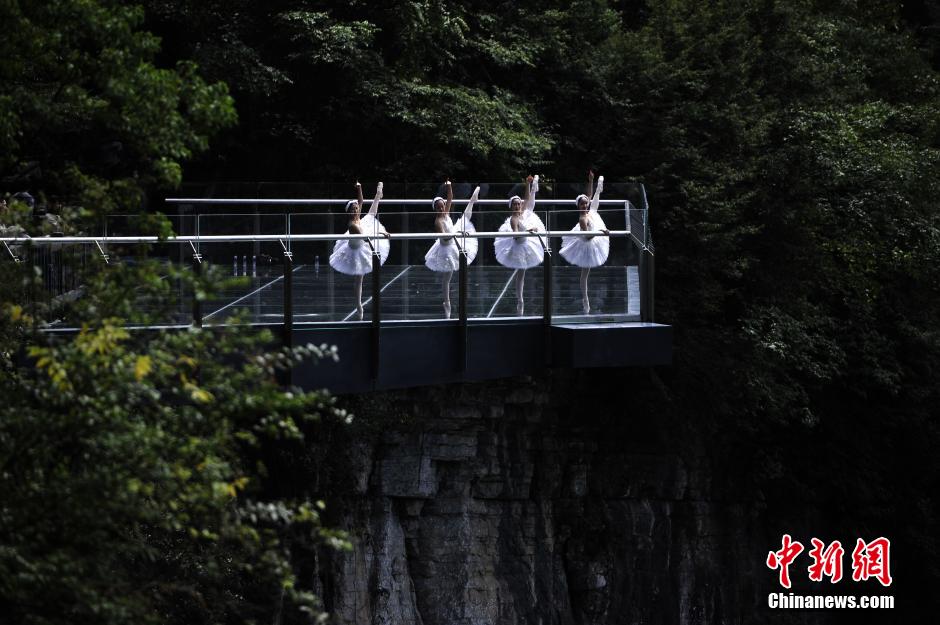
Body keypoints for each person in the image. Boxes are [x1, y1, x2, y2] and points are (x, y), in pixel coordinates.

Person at [329, 182, 390, 320]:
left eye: (356, 208)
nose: (356, 210)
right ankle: (358, 305)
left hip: (362, 241)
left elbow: (361, 201)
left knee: (370, 216)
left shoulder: (357, 216)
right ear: (348, 212)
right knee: (359, 280)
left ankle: (378, 194)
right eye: (353, 209)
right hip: (356, 248)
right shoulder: (352, 225)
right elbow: (367, 238)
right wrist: (382, 234)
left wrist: (359, 188)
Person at [424, 181, 480, 318]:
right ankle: (447, 302)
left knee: (465, 218)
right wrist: (458, 234)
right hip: (446, 247)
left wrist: (448, 185)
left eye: (442, 206)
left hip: (454, 238)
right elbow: (446, 237)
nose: (441, 209)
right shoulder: (438, 222)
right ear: (435, 209)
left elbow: (450, 197)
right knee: (447, 278)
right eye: (438, 208)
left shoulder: (446, 212)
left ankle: (472, 200)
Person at [494, 175, 545, 316]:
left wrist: (527, 184)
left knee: (522, 273)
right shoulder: (513, 219)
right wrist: (528, 231)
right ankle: (520, 299)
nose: (518, 206)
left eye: (518, 204)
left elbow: (527, 200)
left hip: (526, 243)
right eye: (515, 204)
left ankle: (520, 298)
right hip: (518, 245)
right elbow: (516, 235)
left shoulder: (522, 212)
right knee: (520, 273)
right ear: (511, 207)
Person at [560, 171, 610, 313]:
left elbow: (589, 196)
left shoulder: (588, 210)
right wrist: (600, 233)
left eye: (585, 204)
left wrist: (590, 180)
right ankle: (585, 299)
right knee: (584, 274)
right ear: (578, 206)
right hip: (587, 243)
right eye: (582, 205)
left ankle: (599, 187)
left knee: (594, 207)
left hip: (593, 233)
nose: (584, 206)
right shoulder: (582, 219)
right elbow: (587, 236)